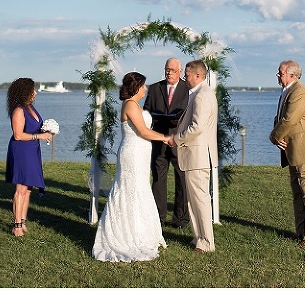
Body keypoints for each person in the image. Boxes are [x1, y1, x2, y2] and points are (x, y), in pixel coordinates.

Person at [93, 72, 173, 262]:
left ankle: (142, 231)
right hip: (133, 153)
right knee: (131, 190)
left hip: (140, 153)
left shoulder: (134, 105)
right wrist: (165, 138)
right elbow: (144, 131)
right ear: (136, 87)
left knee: (140, 189)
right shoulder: (130, 105)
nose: (146, 89)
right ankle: (128, 235)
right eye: (143, 86)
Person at [269, 60, 305, 248]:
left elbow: (289, 120)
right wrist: (279, 138)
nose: (277, 75)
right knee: (298, 192)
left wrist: (274, 137)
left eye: (280, 73)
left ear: (292, 75)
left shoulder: (300, 92)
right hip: (294, 150)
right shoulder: (288, 91)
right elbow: (281, 118)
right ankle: (301, 232)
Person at [172, 60, 218, 253]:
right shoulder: (198, 94)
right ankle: (199, 237)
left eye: (187, 74)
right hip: (195, 155)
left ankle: (206, 242)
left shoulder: (202, 95)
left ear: (198, 76)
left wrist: (177, 139)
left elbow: (197, 127)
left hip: (198, 155)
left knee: (200, 199)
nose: (184, 78)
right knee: (194, 199)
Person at [144, 57, 190, 228]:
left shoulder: (188, 88)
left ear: (180, 71)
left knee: (182, 178)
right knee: (158, 178)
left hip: (180, 140)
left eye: (172, 70)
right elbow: (146, 112)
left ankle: (180, 219)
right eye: (166, 69)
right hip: (159, 139)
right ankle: (158, 217)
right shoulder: (156, 88)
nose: (169, 72)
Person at [5, 78, 53, 237]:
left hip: (32, 151)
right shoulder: (19, 110)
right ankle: (16, 225)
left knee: (29, 187)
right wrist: (39, 136)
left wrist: (48, 130)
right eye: (33, 90)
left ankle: (23, 221)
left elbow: (35, 128)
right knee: (21, 188)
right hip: (21, 151)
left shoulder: (30, 107)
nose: (35, 93)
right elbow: (18, 135)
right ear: (26, 92)